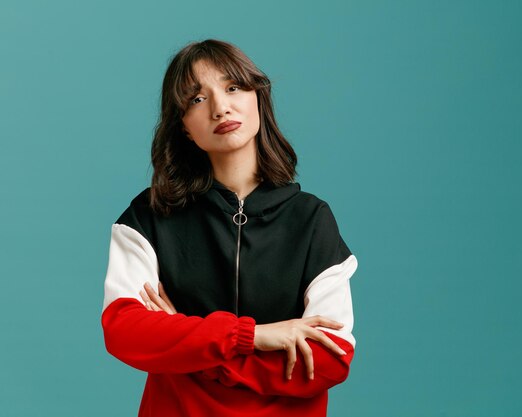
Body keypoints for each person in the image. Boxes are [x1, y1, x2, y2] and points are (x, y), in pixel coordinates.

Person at [101, 39, 359, 417]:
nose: (221, 107)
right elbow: (124, 330)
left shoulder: (311, 220)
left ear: (258, 97)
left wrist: (189, 345)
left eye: (232, 87)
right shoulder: (150, 215)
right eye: (197, 99)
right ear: (185, 128)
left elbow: (328, 359)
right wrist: (255, 337)